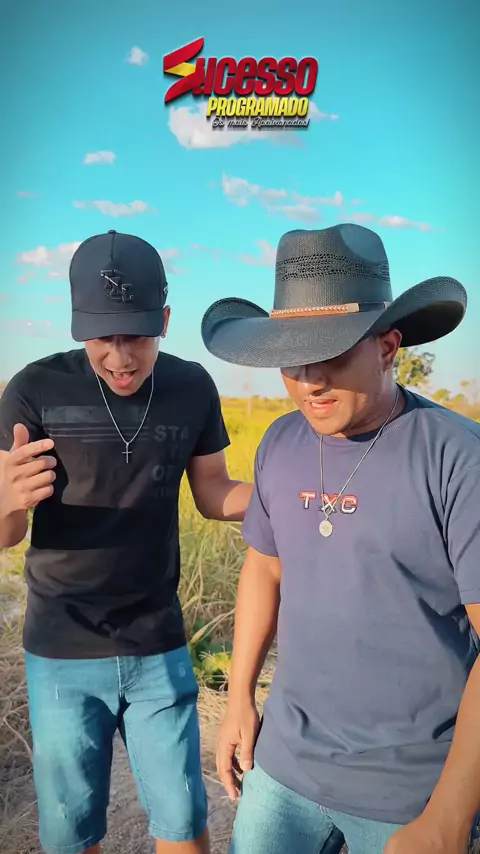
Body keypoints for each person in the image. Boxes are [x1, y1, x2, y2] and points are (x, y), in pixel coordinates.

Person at [201, 223, 480, 854]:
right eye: (291, 357)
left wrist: (448, 817)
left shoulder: (456, 459)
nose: (309, 380)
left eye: (330, 353)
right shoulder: (281, 442)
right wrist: (240, 696)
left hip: (410, 791)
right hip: (284, 768)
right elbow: (265, 568)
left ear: (387, 346)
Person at [0, 230, 253, 854]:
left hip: (158, 642)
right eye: (101, 337)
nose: (119, 357)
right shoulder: (33, 389)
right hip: (61, 648)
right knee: (71, 833)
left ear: (163, 320)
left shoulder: (192, 386)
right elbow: (9, 535)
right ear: (76, 324)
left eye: (136, 335)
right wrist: (4, 500)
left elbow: (213, 492)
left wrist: (295, 494)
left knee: (183, 823)